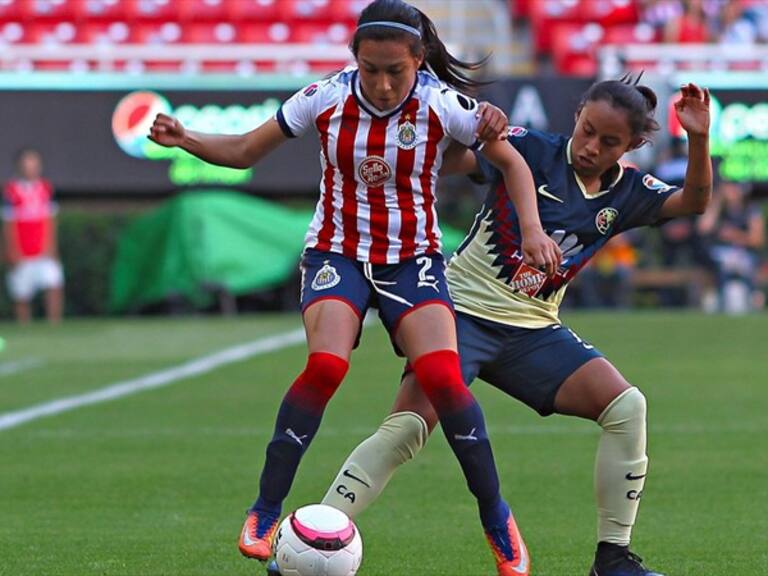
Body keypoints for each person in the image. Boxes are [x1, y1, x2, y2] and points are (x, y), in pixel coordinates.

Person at [148, 1, 560, 574]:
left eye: (397, 70)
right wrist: (185, 137)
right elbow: (244, 151)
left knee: (443, 377)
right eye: (371, 69)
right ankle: (265, 511)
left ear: (420, 61)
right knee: (326, 367)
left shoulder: (442, 104)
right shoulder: (324, 98)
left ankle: (496, 517)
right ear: (355, 61)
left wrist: (533, 230)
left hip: (411, 260)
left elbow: (512, 164)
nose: (384, 83)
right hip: (336, 255)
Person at [321, 78, 713, 576]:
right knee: (408, 429)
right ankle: (318, 532)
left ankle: (613, 560)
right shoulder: (529, 148)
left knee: (627, 407)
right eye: (587, 130)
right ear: (576, 116)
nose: (591, 146)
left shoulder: (630, 192)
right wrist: (472, 130)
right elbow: (449, 160)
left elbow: (694, 203)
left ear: (632, 145)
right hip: (457, 314)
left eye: (609, 142)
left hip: (533, 331)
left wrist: (699, 139)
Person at [2, 148, 64, 324]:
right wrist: (11, 251)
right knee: (21, 295)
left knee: (54, 285)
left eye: (34, 164)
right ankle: (25, 329)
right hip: (22, 253)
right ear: (20, 166)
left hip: (43, 252)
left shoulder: (45, 188)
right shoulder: (11, 191)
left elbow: (50, 221)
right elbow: (8, 224)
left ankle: (54, 327)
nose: (31, 168)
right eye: (27, 164)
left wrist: (51, 247)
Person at [698, 180, 765, 314]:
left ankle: (753, 297)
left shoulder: (751, 210)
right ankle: (721, 301)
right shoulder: (718, 208)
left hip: (745, 254)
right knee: (723, 267)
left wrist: (734, 235)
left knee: (744, 265)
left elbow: (758, 239)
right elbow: (703, 228)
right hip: (720, 255)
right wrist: (717, 202)